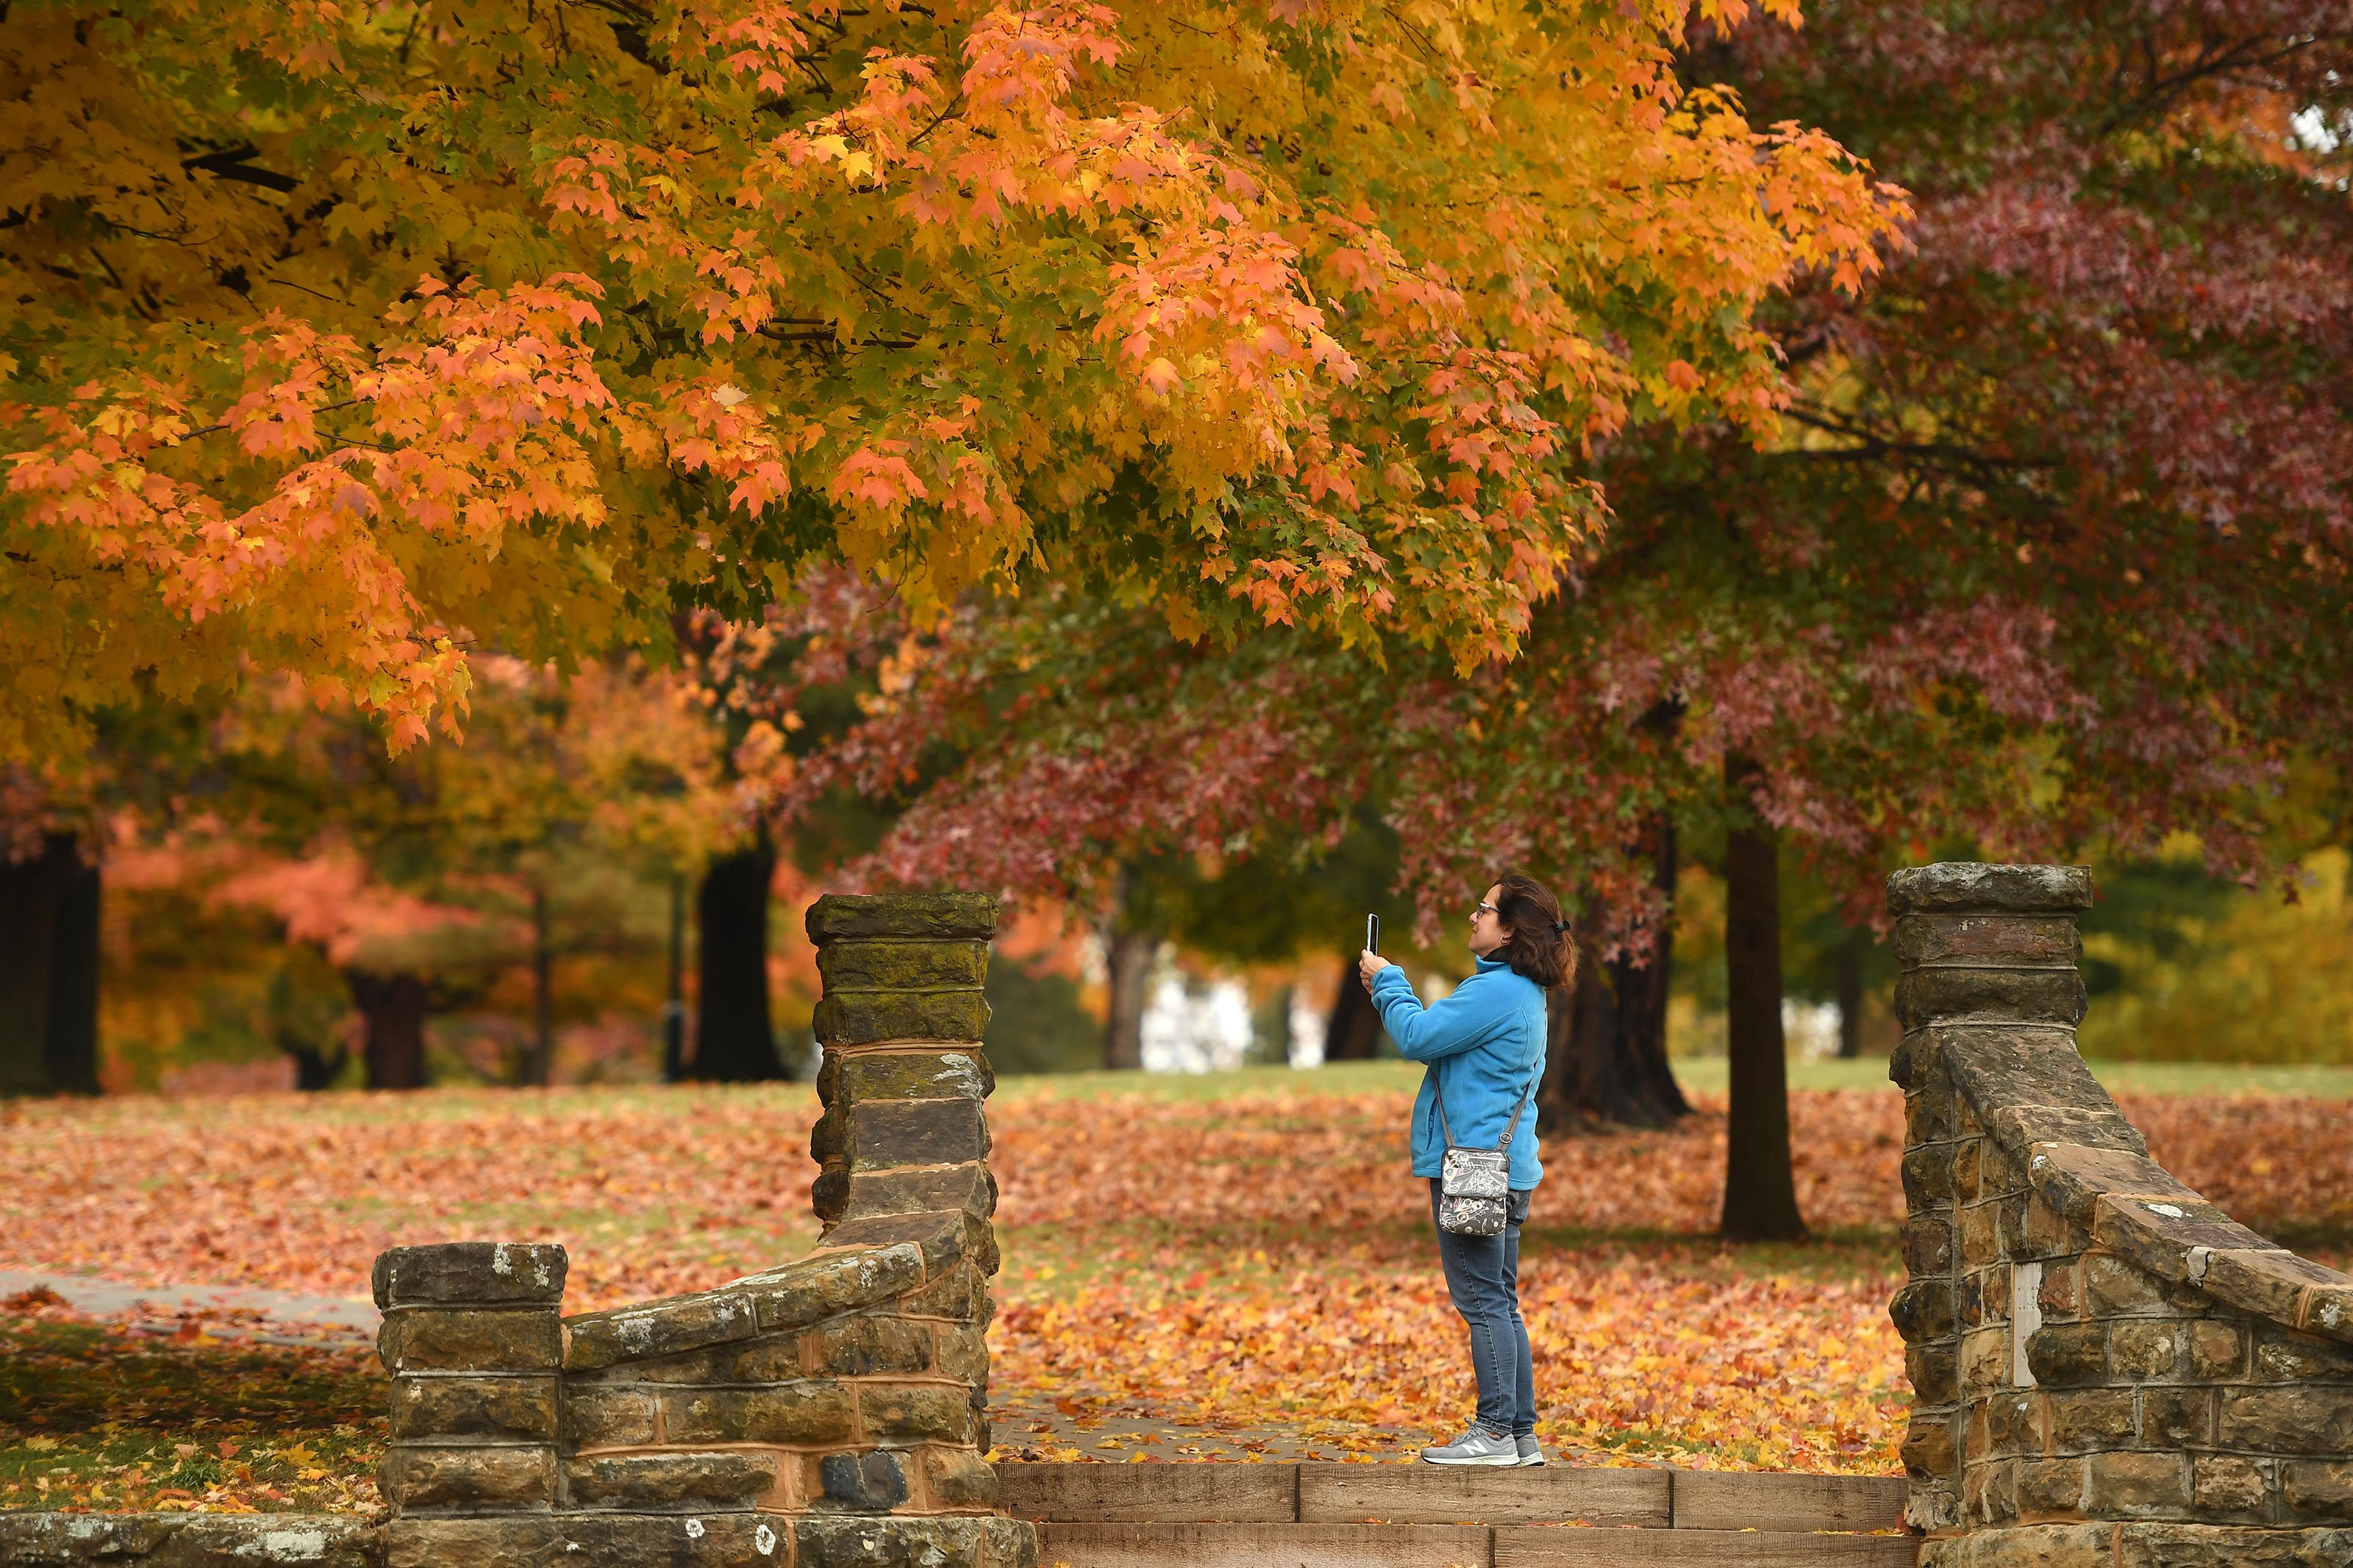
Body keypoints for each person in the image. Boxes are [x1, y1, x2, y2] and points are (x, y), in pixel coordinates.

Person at [1358, 873, 1571, 1467]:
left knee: (1481, 1299)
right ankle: (1520, 1435)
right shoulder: (1523, 993)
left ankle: (1496, 1432)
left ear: (1509, 930)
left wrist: (1388, 982)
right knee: (1500, 1298)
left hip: (1473, 1170)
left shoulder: (1496, 993)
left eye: (1484, 908)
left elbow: (1417, 1035)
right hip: (1504, 1167)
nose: (1472, 916)